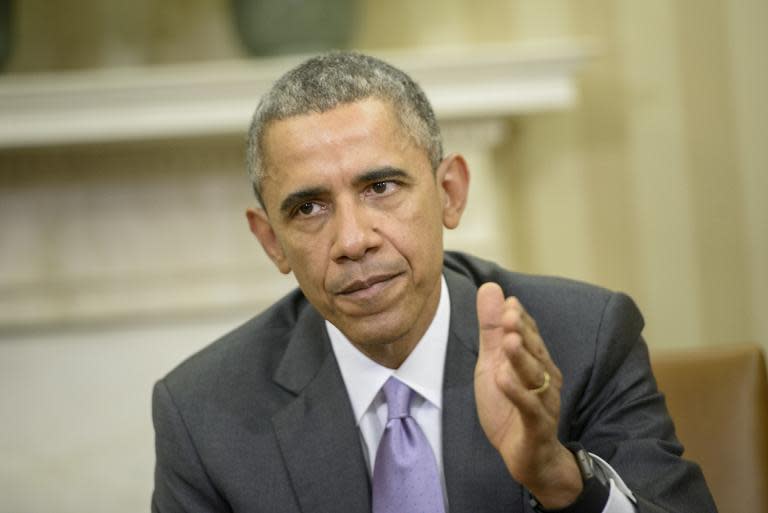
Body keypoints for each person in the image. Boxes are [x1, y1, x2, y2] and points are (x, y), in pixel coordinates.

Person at [151, 52, 717, 513]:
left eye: (380, 187)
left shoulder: (586, 337)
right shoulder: (203, 413)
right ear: (271, 240)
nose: (353, 240)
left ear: (450, 192)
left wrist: (558, 477)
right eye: (308, 208)